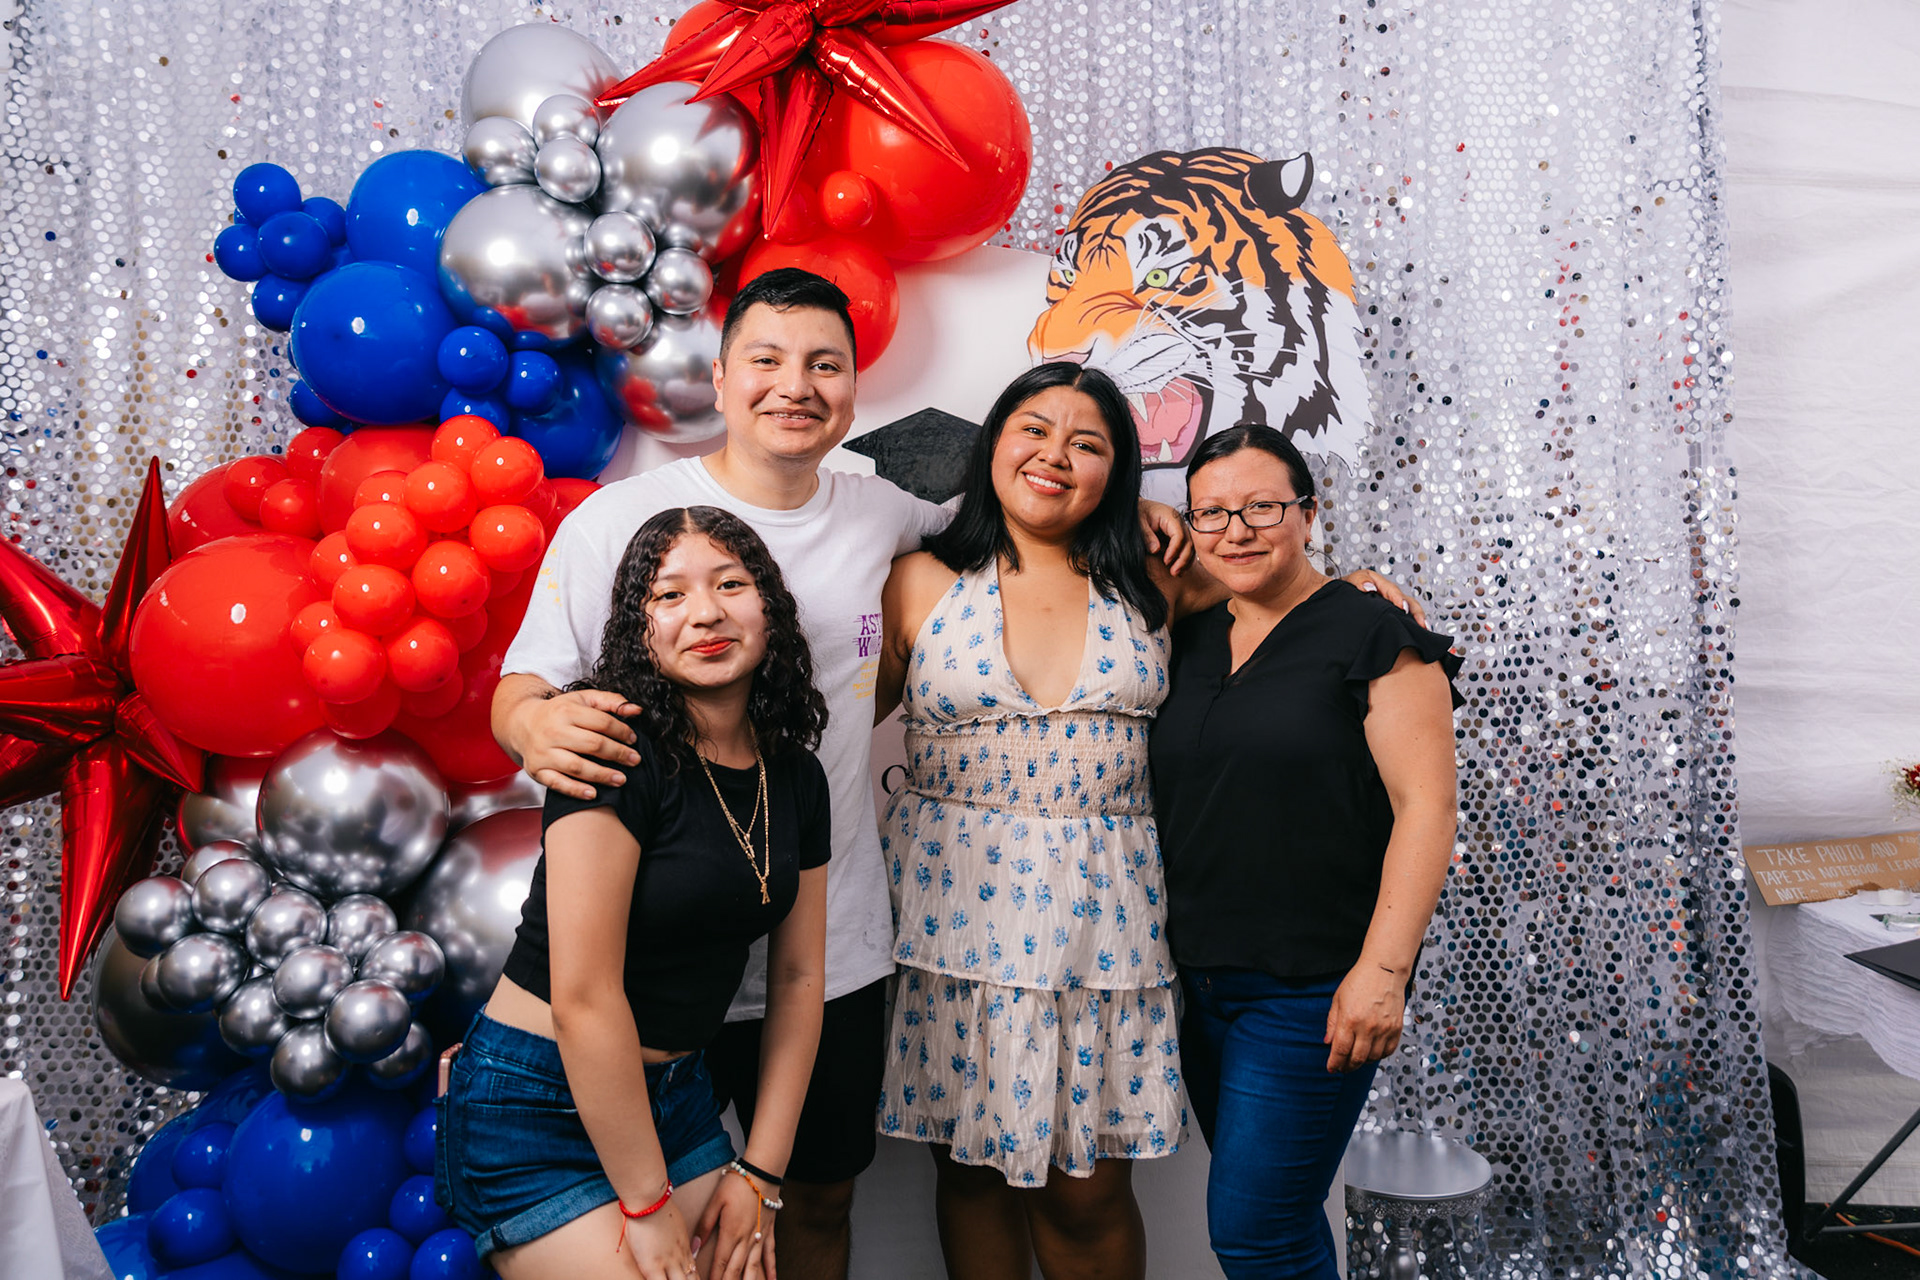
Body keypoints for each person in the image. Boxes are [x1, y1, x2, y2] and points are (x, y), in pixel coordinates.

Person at [492, 270, 1200, 1280]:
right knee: (645, 1225)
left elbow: (1027, 501)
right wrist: (531, 720)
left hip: (829, 941)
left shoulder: (886, 516)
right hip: (659, 940)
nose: (796, 385)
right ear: (721, 377)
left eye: (824, 364)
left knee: (815, 1199)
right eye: (767, 360)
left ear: (855, 388)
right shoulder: (620, 518)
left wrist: (1156, 517)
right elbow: (523, 685)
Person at [870, 363, 1229, 1280]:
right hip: (954, 922)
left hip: (1103, 925)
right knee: (972, 1176)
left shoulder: (1156, 579)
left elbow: (1282, 585)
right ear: (994, 441)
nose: (1055, 455)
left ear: (1119, 472)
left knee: (1087, 1193)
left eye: (1088, 443)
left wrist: (1366, 586)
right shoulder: (916, 580)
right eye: (1035, 429)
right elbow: (825, 737)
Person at [439, 506, 832, 1280]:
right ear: (637, 628)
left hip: (677, 1097)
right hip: (536, 1095)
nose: (705, 613)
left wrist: (762, 1174)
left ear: (771, 607)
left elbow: (797, 978)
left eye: (731, 584)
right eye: (669, 595)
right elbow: (583, 997)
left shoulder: (795, 774)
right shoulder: (612, 749)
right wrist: (647, 1207)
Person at [1148, 425, 1461, 1280]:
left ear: (1310, 514)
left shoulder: (1373, 633)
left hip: (1310, 990)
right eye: (1213, 513)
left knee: (1258, 1234)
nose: (1236, 531)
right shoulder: (1188, 634)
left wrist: (1384, 973)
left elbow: (1428, 810)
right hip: (1196, 984)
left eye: (1262, 507)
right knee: (1280, 1223)